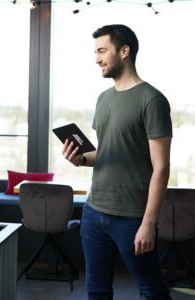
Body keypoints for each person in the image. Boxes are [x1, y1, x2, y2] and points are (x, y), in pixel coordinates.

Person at [63, 24, 172, 300]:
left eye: (102, 51)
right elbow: (109, 152)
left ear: (124, 51)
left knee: (152, 290)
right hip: (93, 212)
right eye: (96, 52)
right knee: (97, 291)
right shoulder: (104, 99)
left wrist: (148, 223)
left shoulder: (152, 100)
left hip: (132, 217)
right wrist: (80, 159)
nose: (96, 59)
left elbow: (161, 167)